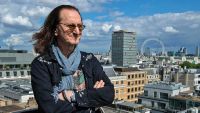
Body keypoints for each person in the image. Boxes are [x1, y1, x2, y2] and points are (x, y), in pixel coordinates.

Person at [31, 5, 114, 113]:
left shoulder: (89, 59)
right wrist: (92, 99)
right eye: (70, 26)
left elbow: (109, 94)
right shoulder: (41, 64)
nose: (77, 31)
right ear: (55, 29)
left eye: (80, 26)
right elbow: (50, 108)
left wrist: (70, 95)